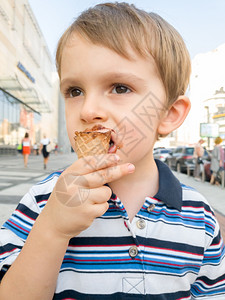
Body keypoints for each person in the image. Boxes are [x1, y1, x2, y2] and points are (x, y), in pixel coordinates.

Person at [0, 3, 225, 299]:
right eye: (74, 91)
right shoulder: (44, 200)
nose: (89, 110)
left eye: (119, 88)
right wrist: (52, 230)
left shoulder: (200, 218)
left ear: (169, 113)